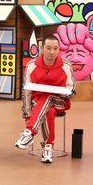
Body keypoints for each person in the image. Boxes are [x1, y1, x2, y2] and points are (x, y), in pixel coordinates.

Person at [15, 35, 75, 163]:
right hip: (38, 103)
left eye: (55, 48)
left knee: (48, 96)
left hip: (61, 102)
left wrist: (63, 92)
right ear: (42, 48)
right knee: (49, 110)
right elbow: (26, 92)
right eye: (48, 48)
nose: (52, 52)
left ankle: (29, 132)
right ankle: (48, 147)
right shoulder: (31, 65)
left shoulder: (66, 66)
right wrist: (27, 114)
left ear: (58, 49)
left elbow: (72, 92)